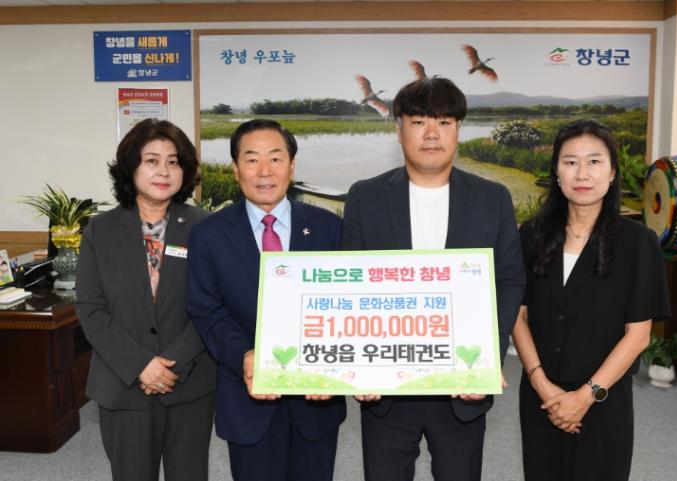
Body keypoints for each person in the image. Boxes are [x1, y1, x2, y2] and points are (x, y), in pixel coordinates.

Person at [342, 77, 525, 481]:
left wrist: (487, 358)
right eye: (419, 121)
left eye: (443, 122)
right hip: (387, 387)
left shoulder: (492, 197)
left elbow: (509, 280)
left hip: (462, 385)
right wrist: (358, 365)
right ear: (399, 129)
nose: (431, 133)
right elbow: (350, 284)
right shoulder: (365, 196)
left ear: (458, 130)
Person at [186, 119, 346, 481]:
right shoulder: (209, 234)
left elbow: (344, 304)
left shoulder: (328, 227)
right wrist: (244, 354)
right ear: (235, 168)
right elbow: (206, 310)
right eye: (251, 159)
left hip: (316, 398)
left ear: (292, 166)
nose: (264, 171)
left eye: (275, 158)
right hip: (247, 396)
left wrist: (332, 368)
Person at [512, 119, 670, 481]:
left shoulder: (638, 242)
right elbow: (518, 315)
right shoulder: (532, 235)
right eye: (570, 162)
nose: (582, 173)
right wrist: (542, 385)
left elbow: (638, 336)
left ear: (612, 173)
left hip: (603, 398)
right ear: (556, 172)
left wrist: (584, 396)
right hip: (541, 396)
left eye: (594, 161)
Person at [75, 119, 216, 481]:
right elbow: (91, 308)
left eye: (174, 161)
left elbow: (213, 305)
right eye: (152, 160)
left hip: (189, 384)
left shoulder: (206, 227)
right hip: (123, 384)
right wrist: (140, 365)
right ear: (131, 166)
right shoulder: (100, 230)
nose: (163, 171)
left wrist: (171, 366)